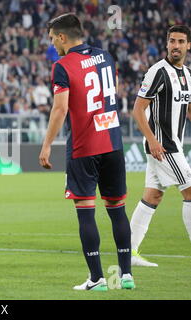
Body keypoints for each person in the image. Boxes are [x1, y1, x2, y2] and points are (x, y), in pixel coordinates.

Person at [39, 13, 134, 291]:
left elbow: (60, 108)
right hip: (113, 144)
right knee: (117, 210)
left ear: (62, 37)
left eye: (52, 39)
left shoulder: (62, 65)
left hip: (84, 147)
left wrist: (47, 145)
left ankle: (97, 279)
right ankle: (125, 276)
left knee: (85, 211)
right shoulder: (106, 57)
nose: (52, 45)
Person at [130, 25, 191, 267]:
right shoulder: (158, 72)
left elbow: (187, 109)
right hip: (164, 147)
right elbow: (137, 109)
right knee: (190, 191)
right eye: (172, 41)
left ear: (188, 45)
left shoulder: (187, 74)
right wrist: (152, 140)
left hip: (173, 144)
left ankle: (129, 252)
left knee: (153, 195)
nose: (176, 46)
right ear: (167, 44)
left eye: (181, 41)